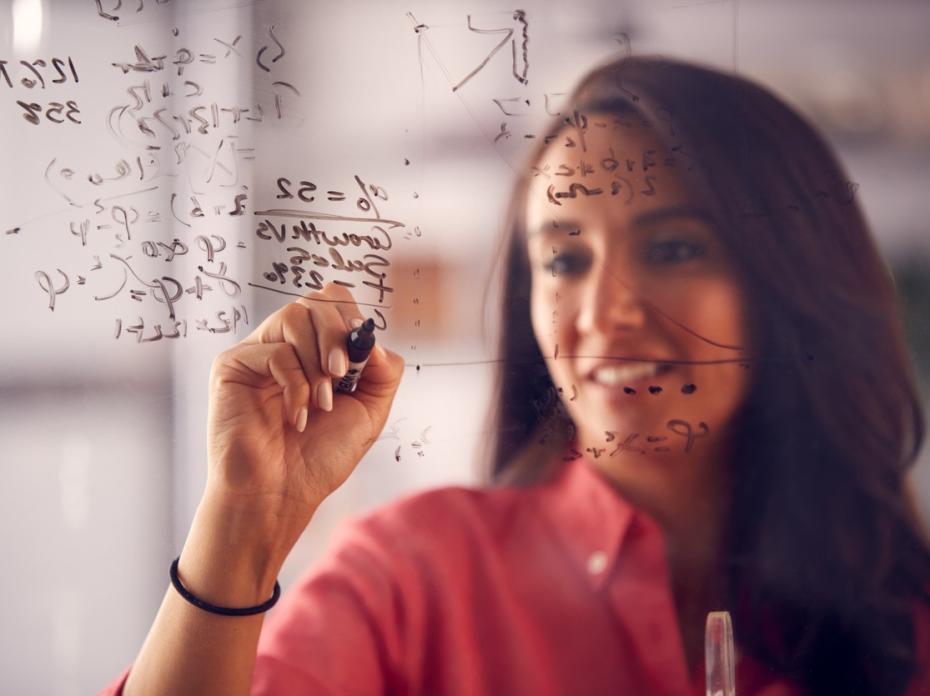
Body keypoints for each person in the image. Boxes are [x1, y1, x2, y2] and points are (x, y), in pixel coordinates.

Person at [101, 56, 930, 696]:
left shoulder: (906, 614)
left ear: (793, 282)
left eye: (673, 247)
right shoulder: (413, 575)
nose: (606, 311)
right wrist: (244, 519)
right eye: (565, 257)